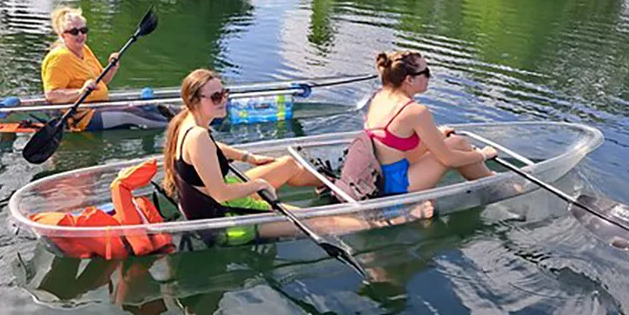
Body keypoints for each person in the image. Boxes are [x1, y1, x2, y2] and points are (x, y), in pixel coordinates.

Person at [162, 69, 430, 244]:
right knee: (319, 221)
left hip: (211, 198)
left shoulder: (188, 121)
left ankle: (333, 186)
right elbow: (220, 194)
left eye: (225, 93)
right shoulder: (196, 136)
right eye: (216, 96)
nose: (224, 100)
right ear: (195, 100)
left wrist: (251, 158)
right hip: (223, 219)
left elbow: (214, 148)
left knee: (288, 164)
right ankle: (394, 218)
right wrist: (259, 185)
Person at [365, 50, 497, 195]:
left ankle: (489, 179)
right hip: (397, 184)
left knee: (458, 143)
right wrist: (484, 155)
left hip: (379, 174)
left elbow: (394, 144)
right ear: (409, 79)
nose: (430, 77)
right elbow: (448, 159)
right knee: (457, 151)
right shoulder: (415, 111)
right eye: (426, 72)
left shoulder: (380, 97)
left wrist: (438, 135)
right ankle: (495, 186)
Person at [41, 6, 169, 131]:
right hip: (83, 117)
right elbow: (52, 95)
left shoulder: (84, 49)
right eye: (74, 32)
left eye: (83, 30)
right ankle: (171, 129)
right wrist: (80, 91)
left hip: (100, 106)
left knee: (149, 108)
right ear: (63, 36)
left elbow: (101, 81)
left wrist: (112, 67)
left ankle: (178, 119)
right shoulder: (58, 58)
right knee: (132, 114)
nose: (80, 35)